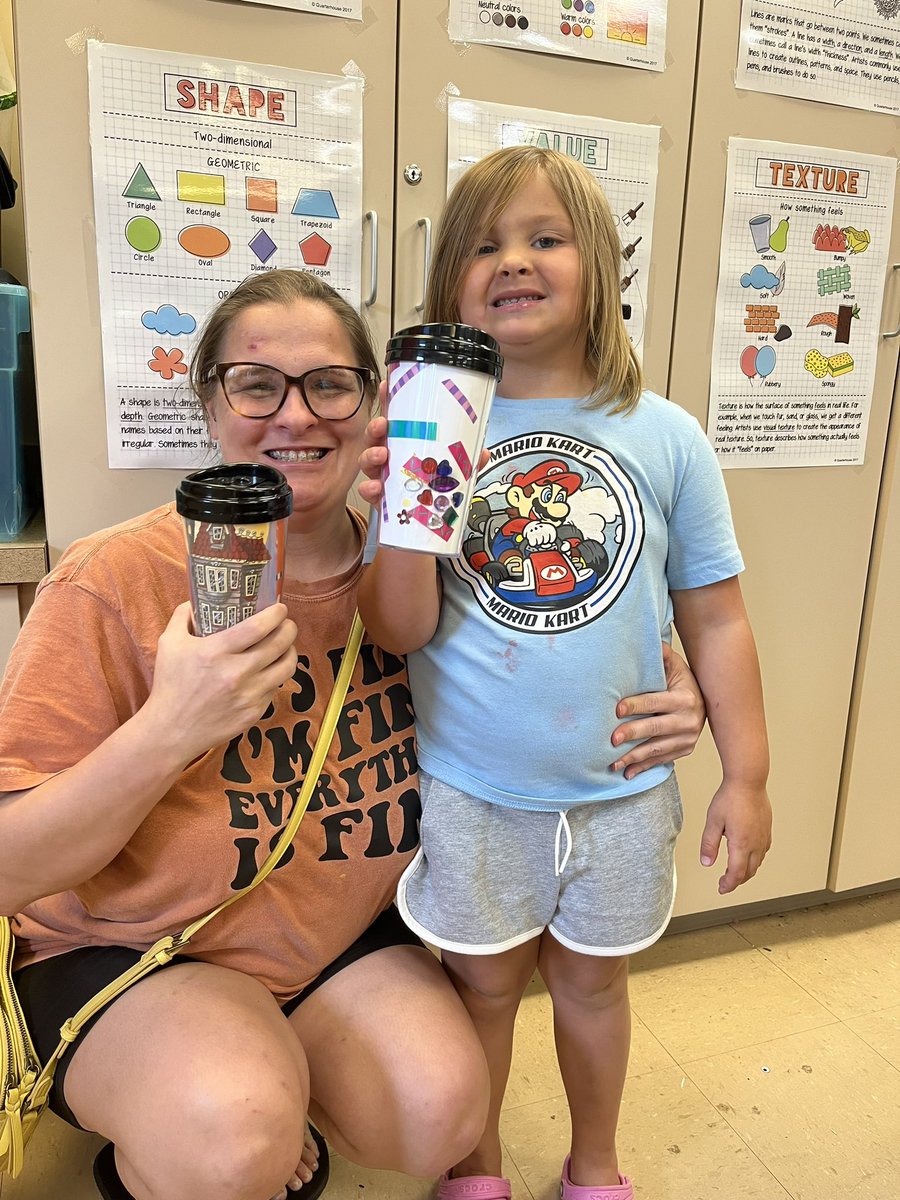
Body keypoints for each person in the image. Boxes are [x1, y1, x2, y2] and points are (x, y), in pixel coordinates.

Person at [0, 269, 706, 1200]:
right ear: (211, 403)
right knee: (228, 1131)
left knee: (443, 1110)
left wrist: (674, 689)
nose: (297, 416)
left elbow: (574, 641)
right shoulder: (117, 578)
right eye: (257, 384)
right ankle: (207, 1113)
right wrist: (170, 729)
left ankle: (258, 1073)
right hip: (139, 950)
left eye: (329, 384)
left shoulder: (419, 569)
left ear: (376, 404)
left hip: (332, 944)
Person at [358, 148, 773, 1200]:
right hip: (476, 788)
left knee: (593, 990)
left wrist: (747, 774)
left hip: (622, 790)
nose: (515, 260)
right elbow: (399, 628)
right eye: (486, 245)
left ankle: (595, 1165)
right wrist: (409, 502)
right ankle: (478, 1167)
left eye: (546, 238)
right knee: (484, 994)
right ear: (449, 276)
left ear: (598, 266)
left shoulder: (667, 435)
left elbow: (716, 616)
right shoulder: (433, 433)